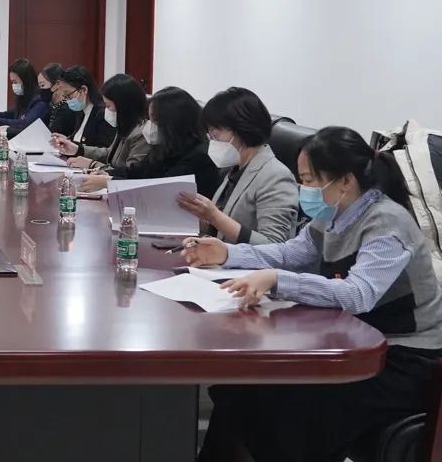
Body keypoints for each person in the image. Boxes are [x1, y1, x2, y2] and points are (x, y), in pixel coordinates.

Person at [184, 126, 442, 462]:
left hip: (403, 359)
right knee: (242, 388)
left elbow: (358, 294)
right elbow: (291, 254)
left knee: (292, 410)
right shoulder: (335, 214)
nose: (303, 189)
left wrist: (278, 280)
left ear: (345, 181)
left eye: (309, 180)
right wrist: (227, 254)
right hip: (356, 340)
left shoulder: (387, 223)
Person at [176, 87, 298, 244]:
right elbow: (221, 230)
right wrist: (198, 218)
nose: (213, 142)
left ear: (243, 128)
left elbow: (273, 245)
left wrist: (214, 216)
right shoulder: (234, 169)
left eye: (217, 134)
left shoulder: (276, 176)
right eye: (210, 136)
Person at [70, 86, 221, 196]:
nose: (150, 126)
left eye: (155, 121)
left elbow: (159, 188)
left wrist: (109, 182)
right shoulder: (166, 147)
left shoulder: (198, 155)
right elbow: (139, 171)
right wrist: (107, 173)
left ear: (172, 123)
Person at [53, 73, 150, 174]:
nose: (106, 111)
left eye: (108, 106)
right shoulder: (125, 127)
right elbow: (108, 154)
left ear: (123, 106)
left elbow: (129, 174)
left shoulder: (141, 134)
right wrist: (78, 149)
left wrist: (92, 164)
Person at [0, 58, 49, 136]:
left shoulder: (40, 101)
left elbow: (24, 124)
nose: (13, 85)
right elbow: (9, 115)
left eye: (15, 82)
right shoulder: (25, 98)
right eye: (12, 82)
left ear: (26, 81)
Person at [51, 66, 116, 148]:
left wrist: (73, 146)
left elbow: (103, 150)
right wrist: (67, 141)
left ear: (84, 90)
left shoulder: (103, 114)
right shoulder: (80, 113)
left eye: (68, 95)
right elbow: (79, 141)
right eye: (64, 96)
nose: (67, 100)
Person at [39, 63, 75, 137]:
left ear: (57, 84)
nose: (40, 89)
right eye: (39, 86)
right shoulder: (51, 106)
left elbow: (51, 136)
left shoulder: (66, 110)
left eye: (42, 85)